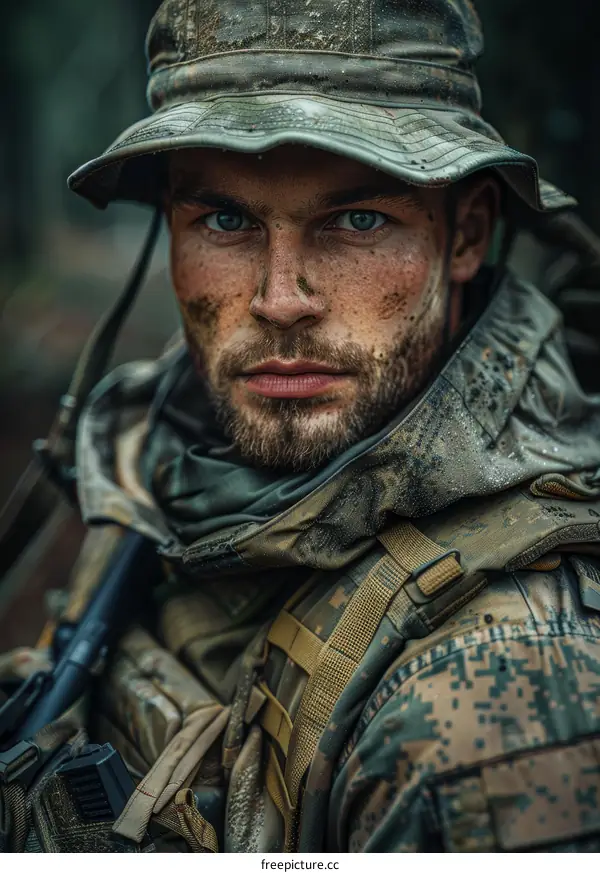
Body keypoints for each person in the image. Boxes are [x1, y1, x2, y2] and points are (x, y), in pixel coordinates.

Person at [1, 0, 600, 854]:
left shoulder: (500, 700)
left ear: (463, 235)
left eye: (358, 220)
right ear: (169, 226)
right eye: (226, 220)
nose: (280, 300)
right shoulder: (154, 450)